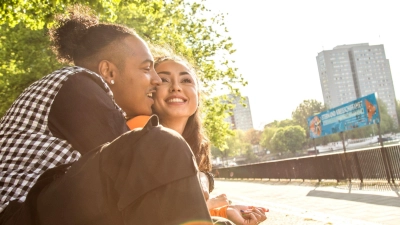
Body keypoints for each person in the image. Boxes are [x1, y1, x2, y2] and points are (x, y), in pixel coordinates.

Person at [0, 5, 212, 225]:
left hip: (37, 211)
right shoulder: (78, 85)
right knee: (162, 143)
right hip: (14, 214)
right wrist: (204, 181)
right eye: (146, 68)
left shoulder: (81, 92)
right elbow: (146, 169)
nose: (156, 80)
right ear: (109, 72)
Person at [150, 53, 268, 225]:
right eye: (164, 80)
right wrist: (208, 204)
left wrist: (226, 211)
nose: (176, 87)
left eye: (186, 81)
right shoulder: (140, 142)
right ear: (150, 90)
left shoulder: (193, 147)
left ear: (197, 95)